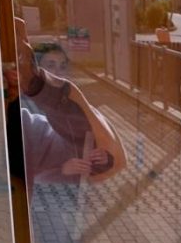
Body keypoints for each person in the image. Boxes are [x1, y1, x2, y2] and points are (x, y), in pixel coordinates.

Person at [7, 18, 126, 187]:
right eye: (50, 65)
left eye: (62, 66)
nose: (57, 72)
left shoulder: (29, 129)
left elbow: (111, 162)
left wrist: (36, 83)